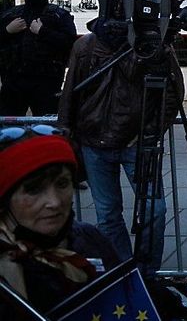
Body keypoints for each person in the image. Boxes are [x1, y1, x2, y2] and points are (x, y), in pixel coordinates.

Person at [57, 0, 184, 279]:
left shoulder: (150, 45)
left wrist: (151, 132)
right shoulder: (85, 46)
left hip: (136, 144)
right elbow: (70, 93)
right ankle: (124, 272)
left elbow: (173, 94)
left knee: (155, 211)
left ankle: (146, 272)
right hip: (94, 143)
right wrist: (65, 131)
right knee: (108, 215)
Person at [0, 126, 120, 318]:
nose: (54, 202)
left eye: (62, 184)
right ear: (5, 200)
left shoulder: (90, 240)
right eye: (34, 190)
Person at [0, 0, 77, 117]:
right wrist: (7, 30)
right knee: (9, 128)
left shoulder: (58, 15)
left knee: (46, 127)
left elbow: (69, 42)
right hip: (14, 81)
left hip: (46, 81)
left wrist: (42, 32)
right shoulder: (11, 15)